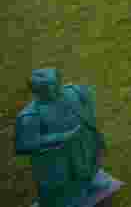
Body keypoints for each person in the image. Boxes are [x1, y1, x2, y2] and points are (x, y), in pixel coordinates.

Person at [16, 69, 119, 207]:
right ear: (37, 91)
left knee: (89, 161)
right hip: (58, 156)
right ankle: (67, 197)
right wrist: (60, 138)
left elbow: (86, 97)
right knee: (64, 181)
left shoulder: (72, 92)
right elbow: (24, 144)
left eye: (56, 84)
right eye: (49, 88)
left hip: (83, 142)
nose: (57, 90)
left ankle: (90, 180)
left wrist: (88, 106)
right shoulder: (31, 116)